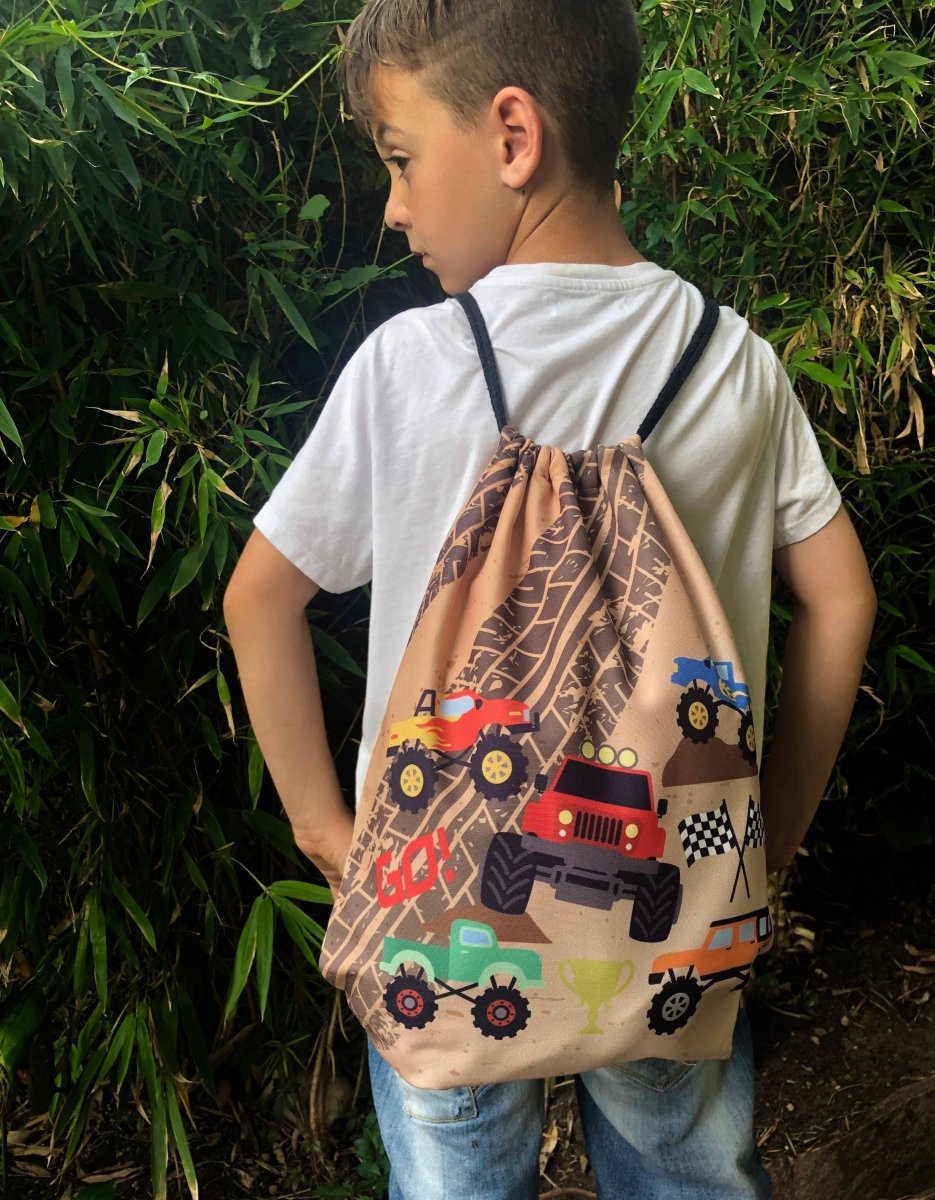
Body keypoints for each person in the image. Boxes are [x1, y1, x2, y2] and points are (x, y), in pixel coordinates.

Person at [223, 1, 877, 1196]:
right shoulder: (733, 361)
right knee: (684, 1174)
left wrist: (328, 833)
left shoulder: (406, 368)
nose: (392, 206)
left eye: (401, 158)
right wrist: (766, 838)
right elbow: (841, 599)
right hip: (676, 915)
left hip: (436, 903)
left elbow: (258, 599)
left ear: (513, 137)